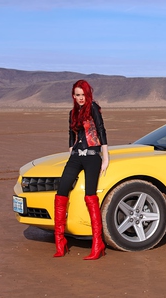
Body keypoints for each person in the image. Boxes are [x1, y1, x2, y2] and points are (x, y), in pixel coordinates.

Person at [53, 80, 109, 260]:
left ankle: (97, 244)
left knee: (90, 196)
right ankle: (60, 243)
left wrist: (105, 157)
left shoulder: (93, 107)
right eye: (77, 95)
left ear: (88, 94)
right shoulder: (72, 112)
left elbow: (101, 130)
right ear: (73, 96)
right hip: (77, 155)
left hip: (93, 155)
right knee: (61, 192)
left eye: (82, 94)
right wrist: (72, 152)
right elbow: (71, 135)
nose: (80, 98)